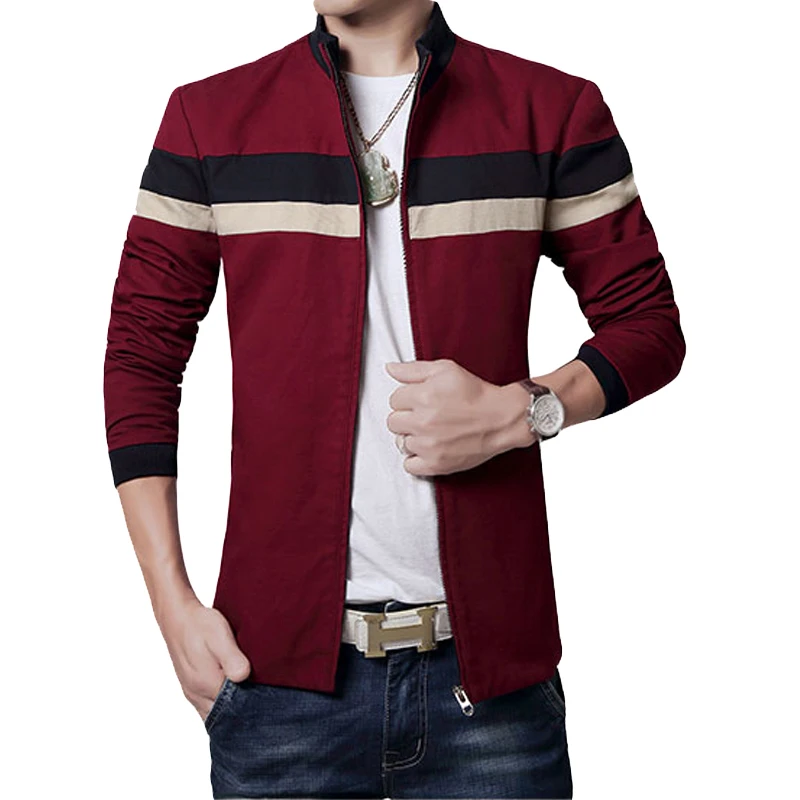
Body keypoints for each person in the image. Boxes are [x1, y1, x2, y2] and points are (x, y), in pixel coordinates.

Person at [103, 1, 685, 797]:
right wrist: (172, 608)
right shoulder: (210, 117)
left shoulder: (549, 109)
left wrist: (523, 412)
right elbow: (139, 356)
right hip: (274, 681)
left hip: (491, 691)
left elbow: (648, 325)